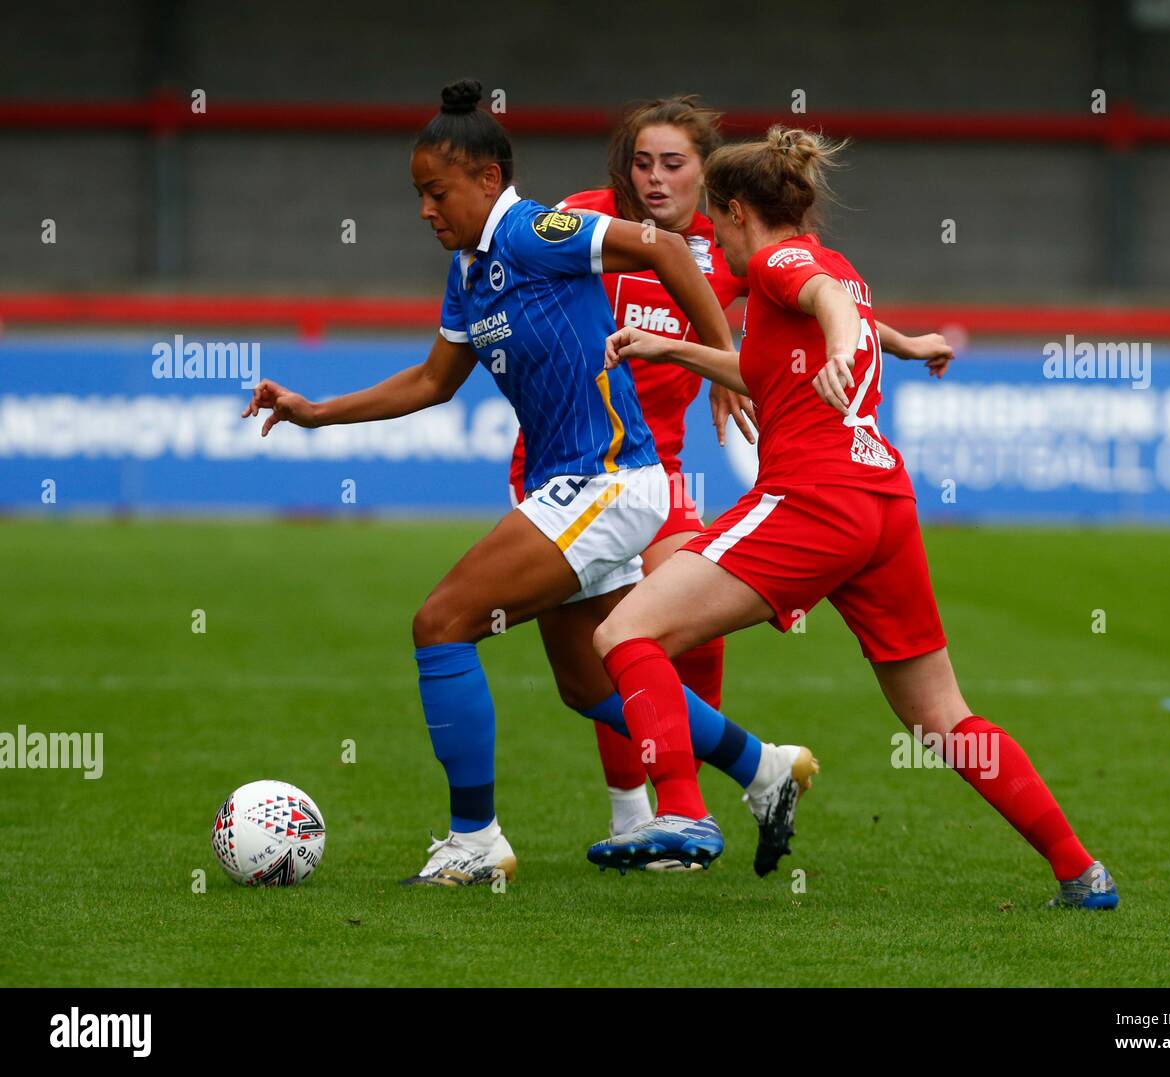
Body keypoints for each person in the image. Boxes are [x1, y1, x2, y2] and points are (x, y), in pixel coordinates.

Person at [589, 126, 1119, 910]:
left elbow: (827, 307)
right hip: (883, 506)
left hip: (813, 500)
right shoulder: (835, 267)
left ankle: (684, 811)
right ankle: (1082, 871)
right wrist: (674, 352)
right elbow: (791, 349)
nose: (716, 248)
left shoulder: (779, 262)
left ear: (736, 212)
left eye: (716, 224)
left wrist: (843, 347)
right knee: (944, 714)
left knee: (622, 634)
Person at [241, 79, 732, 885]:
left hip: (607, 480)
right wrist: (314, 412)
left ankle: (478, 836)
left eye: (435, 192)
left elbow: (668, 250)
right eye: (418, 195)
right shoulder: (472, 271)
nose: (426, 210)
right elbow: (433, 382)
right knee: (592, 679)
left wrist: (727, 368)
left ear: (485, 178)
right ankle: (760, 766)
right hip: (568, 486)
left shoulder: (538, 229)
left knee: (441, 622)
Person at [515, 97, 951, 872]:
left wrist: (891, 343)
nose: (653, 178)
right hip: (563, 466)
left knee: (679, 617)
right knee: (586, 672)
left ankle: (690, 807)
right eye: (641, 162)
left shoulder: (728, 252)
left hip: (657, 469)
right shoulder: (588, 220)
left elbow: (819, 297)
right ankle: (671, 801)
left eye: (673, 164)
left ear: (709, 180)